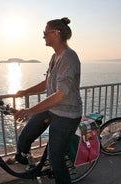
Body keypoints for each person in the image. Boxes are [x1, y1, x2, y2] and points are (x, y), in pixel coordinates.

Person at [7, 17, 82, 184]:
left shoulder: (69, 58)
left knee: (56, 161)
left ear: (56, 33)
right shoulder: (55, 57)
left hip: (67, 114)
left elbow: (61, 94)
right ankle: (29, 164)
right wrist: (25, 91)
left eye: (45, 33)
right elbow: (47, 83)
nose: (43, 36)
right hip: (53, 108)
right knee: (24, 137)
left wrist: (30, 110)